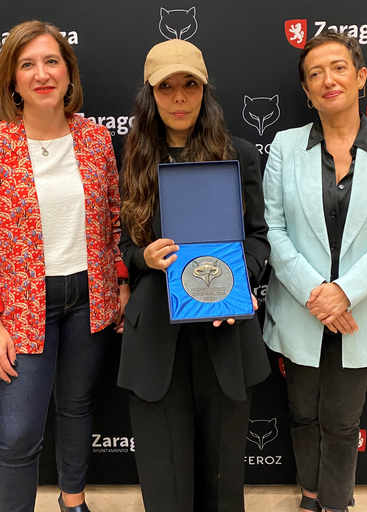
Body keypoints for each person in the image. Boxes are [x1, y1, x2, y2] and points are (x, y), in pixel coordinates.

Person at [0, 20, 129, 512]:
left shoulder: (95, 141)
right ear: (11, 79)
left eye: (51, 61)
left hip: (88, 300)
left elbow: (113, 221)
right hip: (21, 309)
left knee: (76, 408)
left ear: (69, 72)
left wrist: (119, 283)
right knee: (16, 434)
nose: (41, 74)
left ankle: (72, 501)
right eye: (27, 64)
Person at [262, 31, 367, 512]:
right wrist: (318, 293)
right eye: (315, 74)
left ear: (361, 78)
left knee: (342, 418)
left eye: (338, 68)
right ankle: (309, 494)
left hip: (361, 311)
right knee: (301, 412)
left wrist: (344, 294)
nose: (327, 80)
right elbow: (271, 227)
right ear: (307, 93)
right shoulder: (285, 147)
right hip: (301, 307)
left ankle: (334, 502)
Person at [118, 39, 270, 512]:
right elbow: (122, 248)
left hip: (224, 331)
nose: (179, 98)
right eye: (167, 87)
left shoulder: (239, 153)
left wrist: (236, 279)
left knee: (223, 476)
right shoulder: (131, 158)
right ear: (151, 94)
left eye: (189, 85)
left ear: (205, 91)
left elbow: (260, 239)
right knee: (165, 477)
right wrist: (146, 258)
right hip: (155, 335)